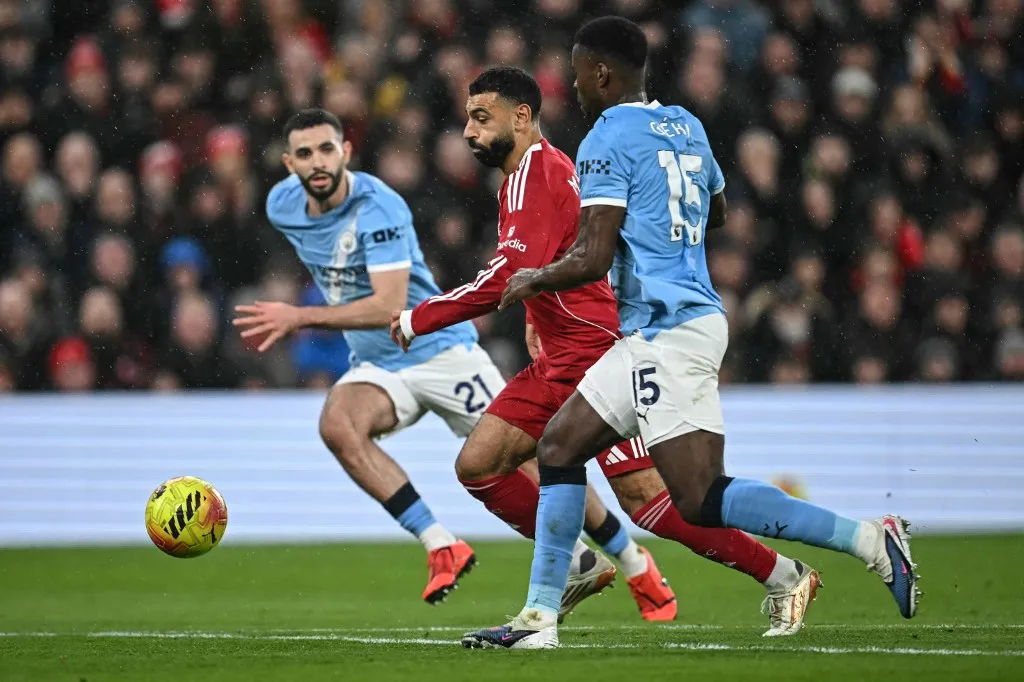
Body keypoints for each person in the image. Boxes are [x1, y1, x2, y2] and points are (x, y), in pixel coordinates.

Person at [462, 17, 919, 650]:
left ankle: (870, 540)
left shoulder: (603, 137)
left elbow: (592, 258)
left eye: (577, 73)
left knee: (699, 497)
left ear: (600, 73)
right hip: (674, 321)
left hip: (669, 330)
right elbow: (720, 208)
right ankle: (538, 619)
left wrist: (535, 278)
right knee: (562, 447)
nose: (574, 86)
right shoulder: (685, 123)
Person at [391, 67, 815, 631]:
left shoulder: (536, 174)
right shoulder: (544, 169)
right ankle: (578, 565)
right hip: (569, 349)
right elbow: (560, 263)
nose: (468, 131)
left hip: (594, 354)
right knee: (484, 465)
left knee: (653, 502)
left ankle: (784, 573)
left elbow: (507, 275)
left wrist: (420, 316)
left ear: (521, 117)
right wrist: (540, 316)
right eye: (468, 117)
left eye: (481, 117)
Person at [234, 109, 654, 616]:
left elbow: (387, 305)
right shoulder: (282, 206)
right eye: (304, 154)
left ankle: (633, 560)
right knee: (338, 425)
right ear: (288, 164)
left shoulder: (379, 208)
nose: (317, 162)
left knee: (530, 458)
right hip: (378, 363)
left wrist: (298, 316)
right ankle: (441, 543)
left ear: (346, 153)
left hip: (439, 351)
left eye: (327, 149)